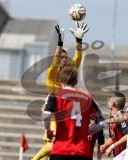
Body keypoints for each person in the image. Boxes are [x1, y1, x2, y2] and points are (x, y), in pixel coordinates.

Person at [32, 22, 89, 160]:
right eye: (61, 58)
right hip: (53, 111)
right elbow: (56, 57)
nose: (64, 59)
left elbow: (78, 56)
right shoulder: (52, 73)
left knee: (55, 149)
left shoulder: (69, 72)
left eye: (65, 57)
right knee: (53, 144)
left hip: (66, 113)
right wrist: (60, 43)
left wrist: (79, 40)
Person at [43, 66, 99, 160]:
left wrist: (48, 130)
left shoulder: (56, 96)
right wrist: (87, 131)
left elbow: (46, 114)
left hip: (61, 150)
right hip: (82, 152)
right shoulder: (87, 98)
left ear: (60, 81)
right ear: (76, 81)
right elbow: (102, 122)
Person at [99, 92, 128, 158]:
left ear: (113, 103)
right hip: (118, 155)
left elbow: (127, 136)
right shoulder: (112, 118)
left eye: (110, 100)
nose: (108, 101)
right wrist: (105, 145)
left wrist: (112, 147)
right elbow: (112, 137)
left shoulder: (122, 117)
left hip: (126, 155)